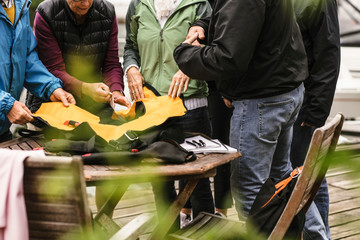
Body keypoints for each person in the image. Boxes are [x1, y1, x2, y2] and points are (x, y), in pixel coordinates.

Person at [174, 0, 328, 238]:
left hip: (262, 101)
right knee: (284, 181)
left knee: (250, 193)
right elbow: (242, 24)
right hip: (284, 91)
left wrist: (184, 53)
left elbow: (228, 57)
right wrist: (202, 24)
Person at [123, 0, 213, 226]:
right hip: (152, 106)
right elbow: (130, 46)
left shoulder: (199, 4)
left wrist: (190, 66)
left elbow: (213, 46)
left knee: (197, 182)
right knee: (160, 181)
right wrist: (131, 68)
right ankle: (168, 233)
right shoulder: (138, 5)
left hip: (190, 104)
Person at [26, 0, 131, 116]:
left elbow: (111, 64)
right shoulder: (46, 12)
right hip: (52, 100)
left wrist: (116, 91)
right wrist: (85, 88)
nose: (85, 4)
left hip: (94, 102)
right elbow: (53, 69)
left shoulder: (107, 11)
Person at [291, 0, 341, 238]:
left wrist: (316, 111)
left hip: (305, 104)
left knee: (307, 173)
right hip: (288, 99)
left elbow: (329, 53)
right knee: (301, 172)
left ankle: (319, 236)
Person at [0, 0, 75, 143]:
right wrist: (6, 104)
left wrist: (51, 88)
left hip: (3, 132)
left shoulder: (20, 6)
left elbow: (27, 58)